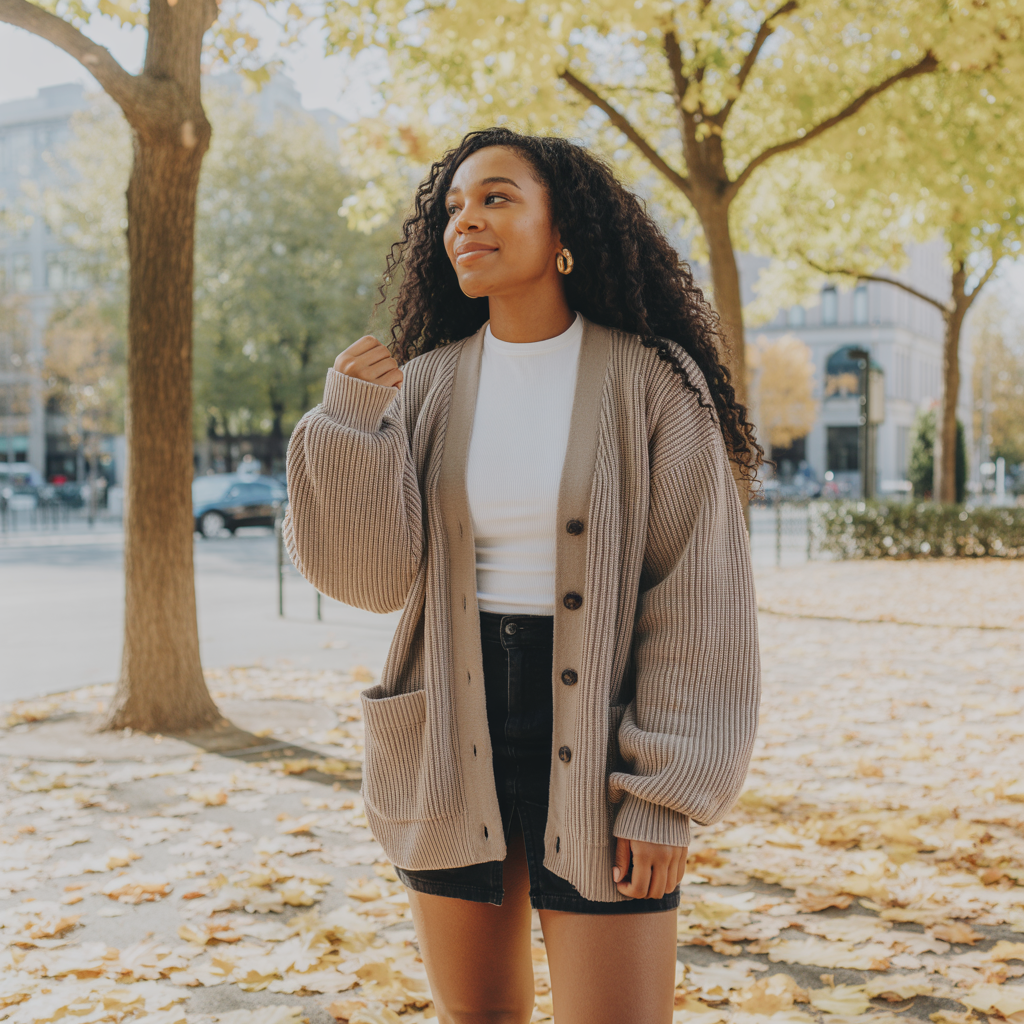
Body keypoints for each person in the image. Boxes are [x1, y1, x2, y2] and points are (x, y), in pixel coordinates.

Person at [283, 127, 762, 1024]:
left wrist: (663, 797)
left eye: (497, 198)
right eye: (453, 207)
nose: (466, 220)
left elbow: (699, 603)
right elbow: (371, 579)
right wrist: (349, 429)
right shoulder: (421, 386)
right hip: (445, 733)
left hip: (602, 740)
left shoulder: (655, 385)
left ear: (564, 229)